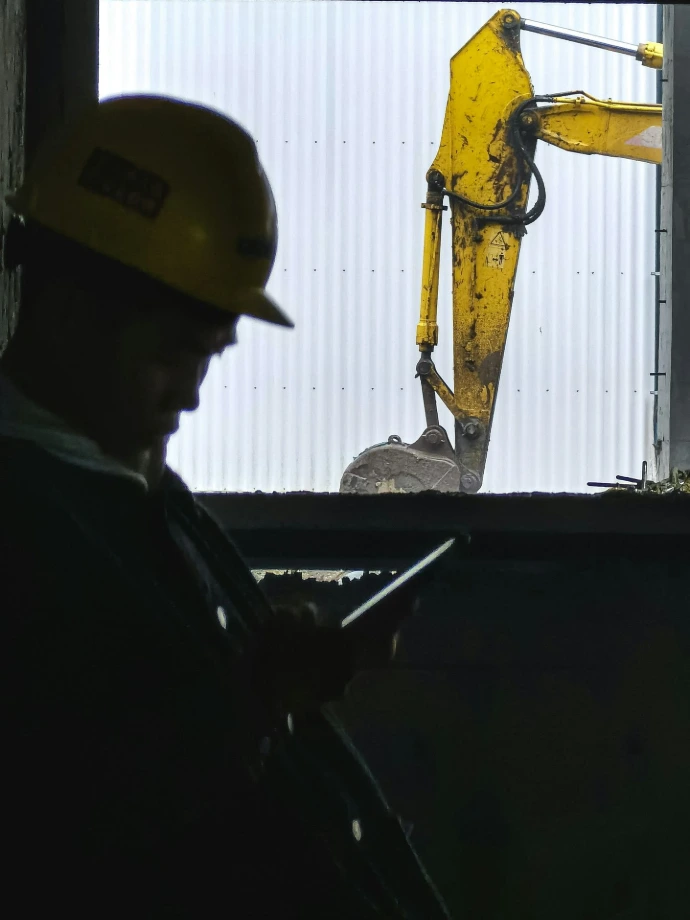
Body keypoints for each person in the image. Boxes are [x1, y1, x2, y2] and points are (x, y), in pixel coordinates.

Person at [0, 95, 450, 918]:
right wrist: (256, 700)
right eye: (175, 356)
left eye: (208, 357)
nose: (194, 397)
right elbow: (62, 837)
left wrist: (275, 680)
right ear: (70, 307)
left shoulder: (143, 496)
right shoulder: (28, 525)